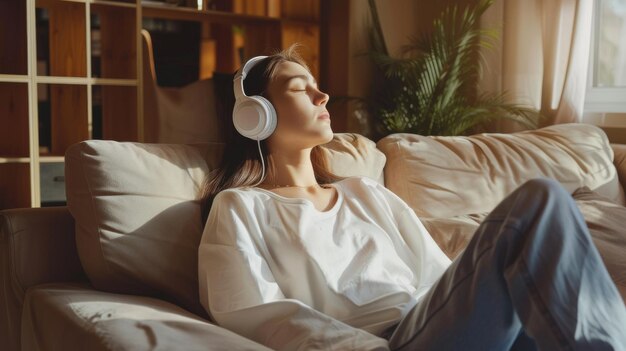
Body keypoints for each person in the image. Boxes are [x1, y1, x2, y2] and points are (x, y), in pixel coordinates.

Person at [198, 46, 626, 351]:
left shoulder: (364, 192)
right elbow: (252, 312)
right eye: (299, 87)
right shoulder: (241, 207)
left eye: (317, 86)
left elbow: (440, 277)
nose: (322, 95)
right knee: (540, 202)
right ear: (255, 116)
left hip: (438, 326)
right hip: (387, 341)